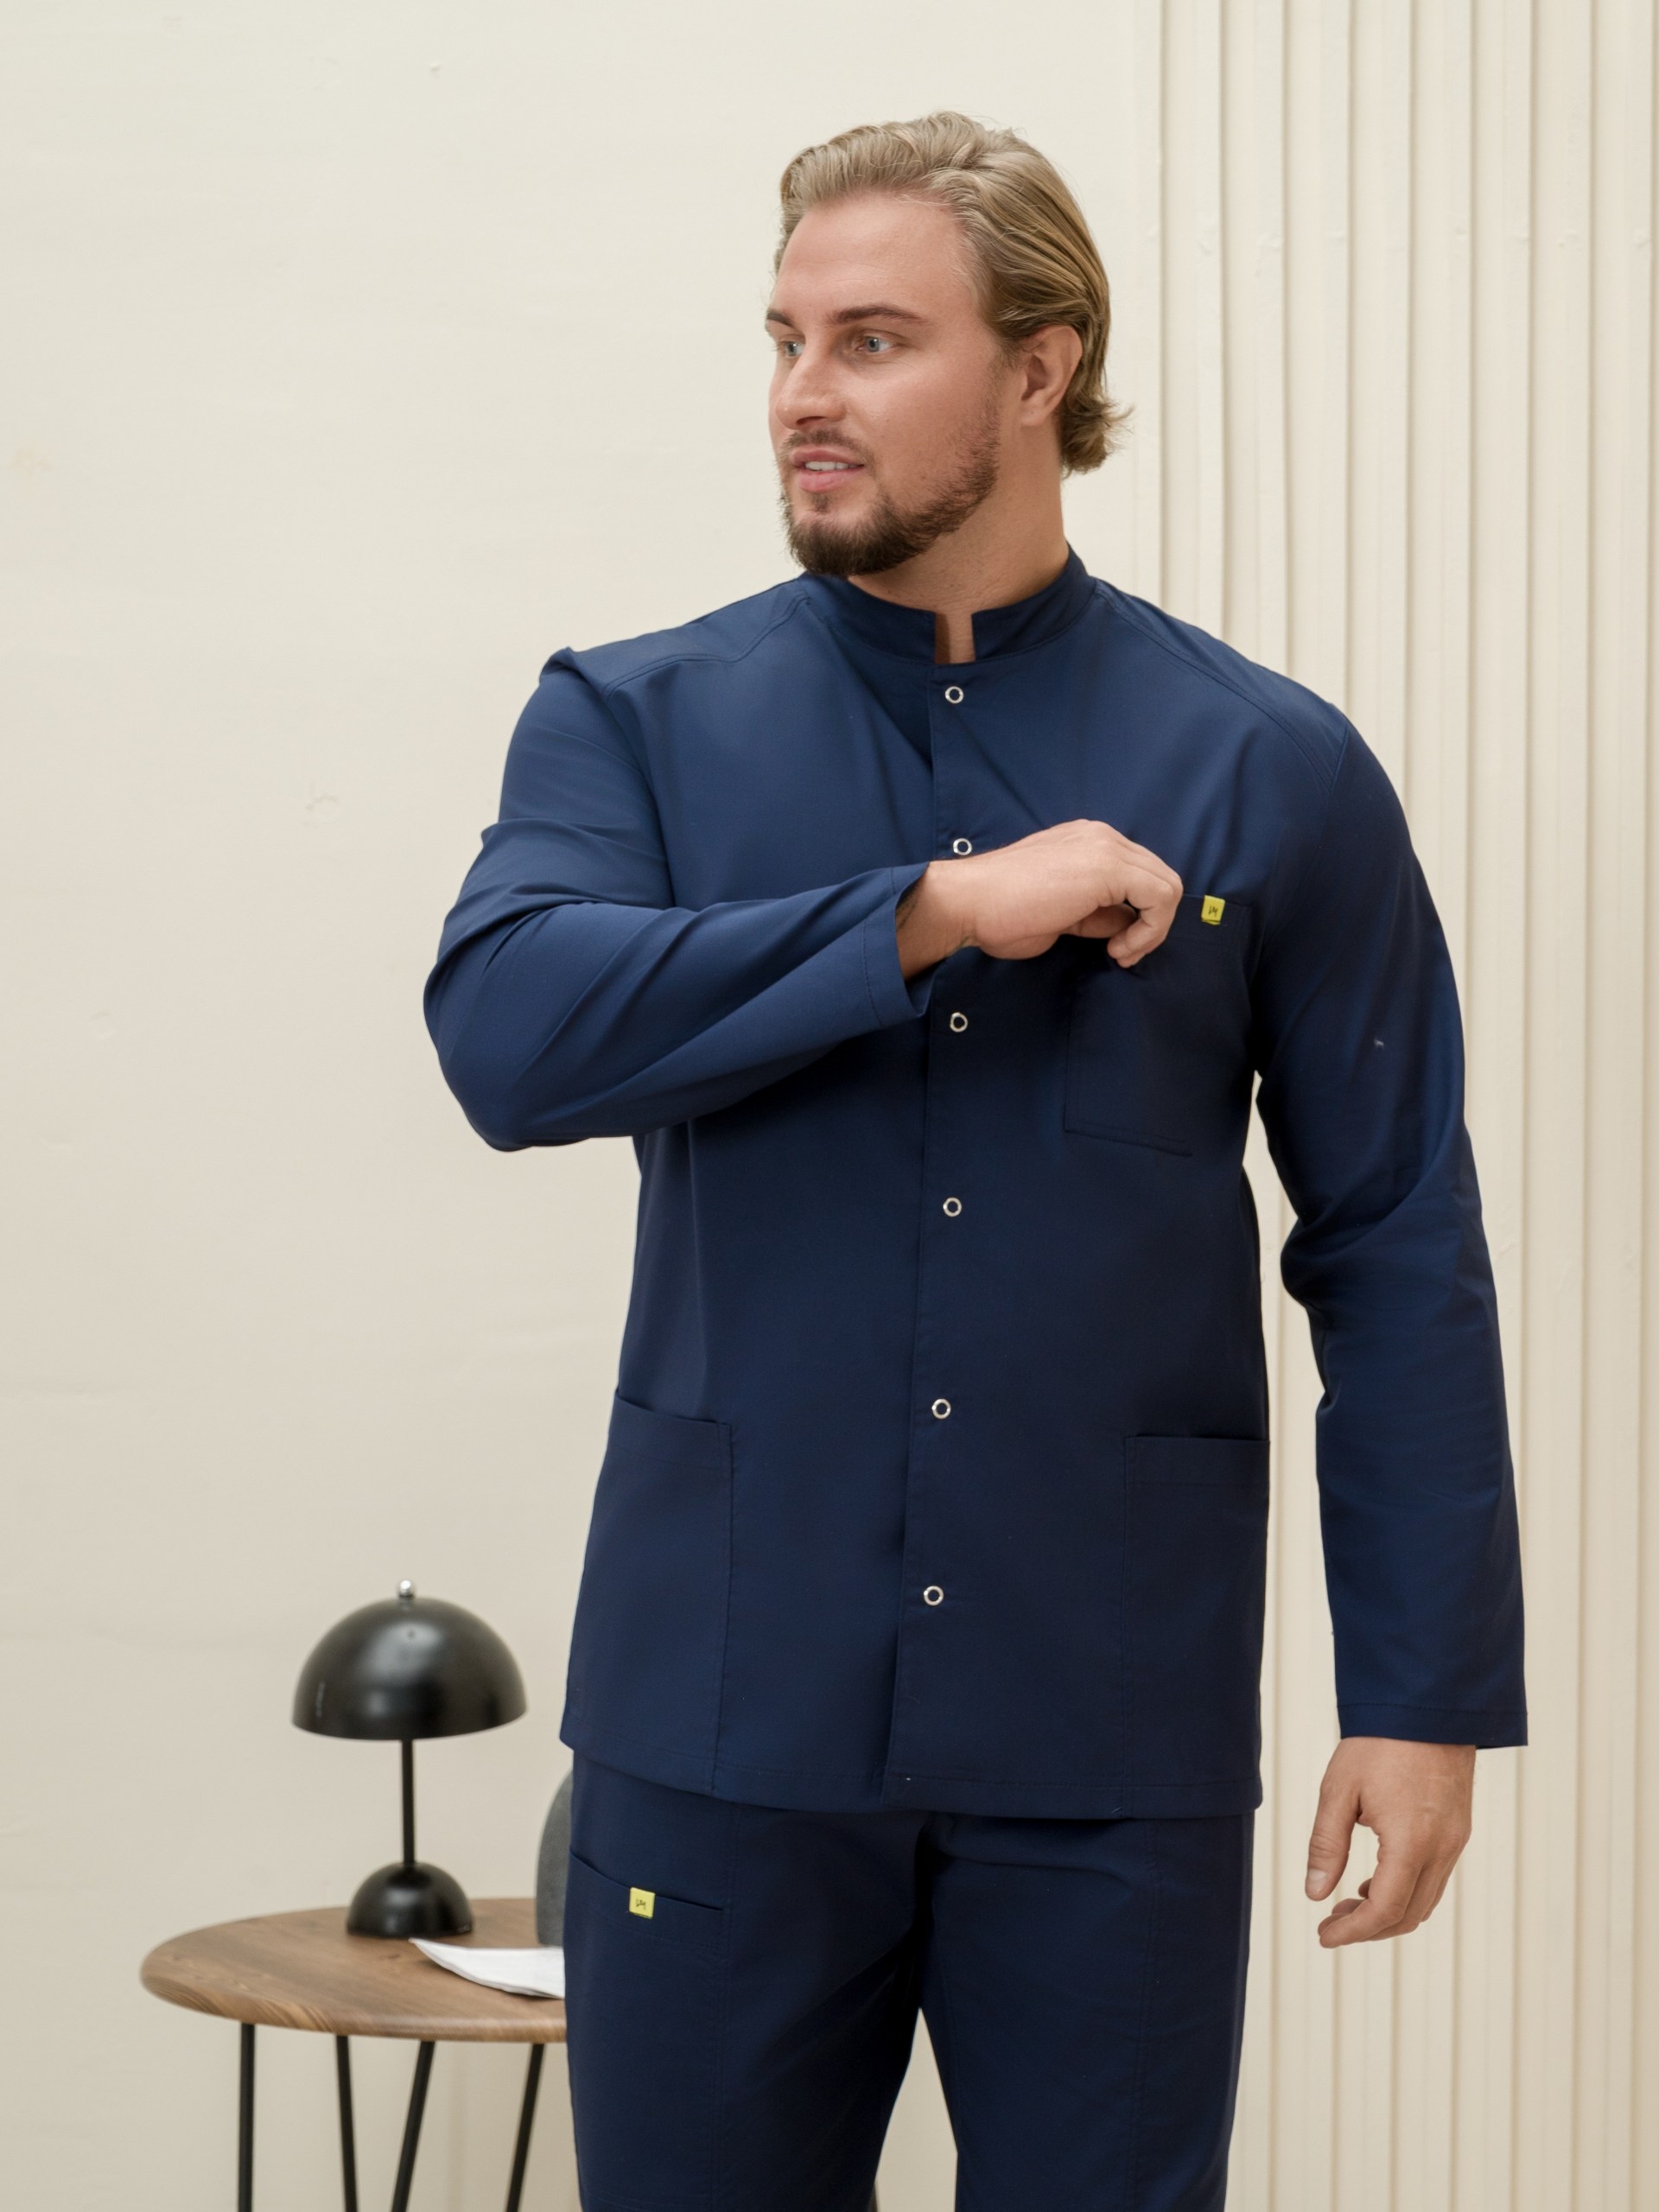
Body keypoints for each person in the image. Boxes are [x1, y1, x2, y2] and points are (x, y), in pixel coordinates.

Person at [425, 111, 1524, 2212]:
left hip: (1111, 1730)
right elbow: (507, 1031)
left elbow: (1398, 1241)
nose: (802, 396)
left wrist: (1425, 1693)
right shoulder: (632, 721)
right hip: (720, 1721)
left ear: (1041, 366)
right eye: (784, 341)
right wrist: (934, 911)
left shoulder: (1271, 767)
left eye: (871, 340)